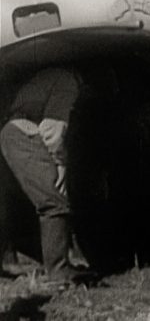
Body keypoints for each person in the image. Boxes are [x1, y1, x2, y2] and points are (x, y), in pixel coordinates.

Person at [0, 67, 86, 282]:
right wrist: (60, 164)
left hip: (12, 130)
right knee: (54, 202)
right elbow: (52, 130)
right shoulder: (68, 82)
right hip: (22, 133)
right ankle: (59, 270)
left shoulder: (52, 75)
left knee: (11, 204)